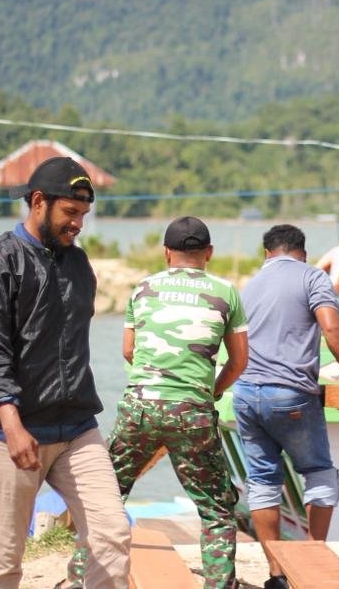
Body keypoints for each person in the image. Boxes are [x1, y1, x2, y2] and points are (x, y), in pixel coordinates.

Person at [0, 156, 131, 589]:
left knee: (113, 533)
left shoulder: (78, 264)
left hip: (77, 429)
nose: (78, 224)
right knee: (4, 561)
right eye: (70, 212)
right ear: (38, 202)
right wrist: (11, 422)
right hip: (15, 433)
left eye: (84, 214)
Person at [107, 216, 248, 589]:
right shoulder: (226, 292)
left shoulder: (143, 288)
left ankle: (84, 580)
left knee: (106, 497)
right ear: (209, 253)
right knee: (216, 508)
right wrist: (212, 391)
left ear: (166, 253)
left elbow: (128, 350)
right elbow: (239, 361)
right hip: (193, 411)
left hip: (140, 405)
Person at [232, 224, 339, 589]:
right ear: (303, 253)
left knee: (262, 481)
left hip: (246, 394)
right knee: (319, 472)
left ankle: (276, 574)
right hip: (291, 395)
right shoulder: (312, 277)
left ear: (266, 253)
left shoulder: (249, 286)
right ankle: (313, 561)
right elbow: (331, 328)